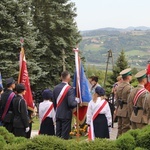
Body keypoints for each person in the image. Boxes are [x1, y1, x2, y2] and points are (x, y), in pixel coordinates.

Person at [53, 71, 77, 140]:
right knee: (65, 136)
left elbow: (54, 103)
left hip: (58, 114)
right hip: (66, 115)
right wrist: (77, 102)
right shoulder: (70, 89)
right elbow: (71, 104)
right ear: (68, 78)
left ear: (61, 77)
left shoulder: (55, 88)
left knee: (58, 134)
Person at [116, 68, 132, 137]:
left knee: (119, 128)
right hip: (126, 110)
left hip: (120, 109)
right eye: (131, 75)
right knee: (126, 129)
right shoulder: (129, 87)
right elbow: (130, 101)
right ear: (128, 77)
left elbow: (116, 100)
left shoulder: (119, 86)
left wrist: (117, 109)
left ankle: (117, 143)